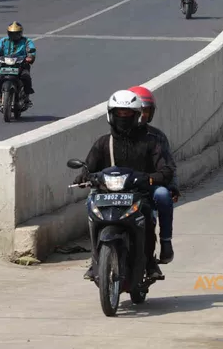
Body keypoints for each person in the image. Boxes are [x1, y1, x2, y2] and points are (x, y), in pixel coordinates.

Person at [76, 87, 178, 283]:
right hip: (109, 191)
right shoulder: (103, 143)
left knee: (161, 198)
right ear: (111, 115)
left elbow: (166, 170)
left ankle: (160, 250)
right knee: (89, 204)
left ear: (137, 115)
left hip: (141, 191)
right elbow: (88, 168)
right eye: (119, 113)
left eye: (128, 113)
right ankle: (95, 260)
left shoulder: (152, 141)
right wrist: (83, 177)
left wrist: (149, 179)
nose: (123, 117)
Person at [0, 22, 36, 107]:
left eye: (16, 34)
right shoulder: (3, 40)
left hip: (21, 64)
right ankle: (1, 97)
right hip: (6, 64)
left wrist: (30, 57)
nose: (14, 36)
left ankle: (26, 97)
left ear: (20, 33)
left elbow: (31, 50)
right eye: (11, 34)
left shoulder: (27, 41)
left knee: (26, 77)